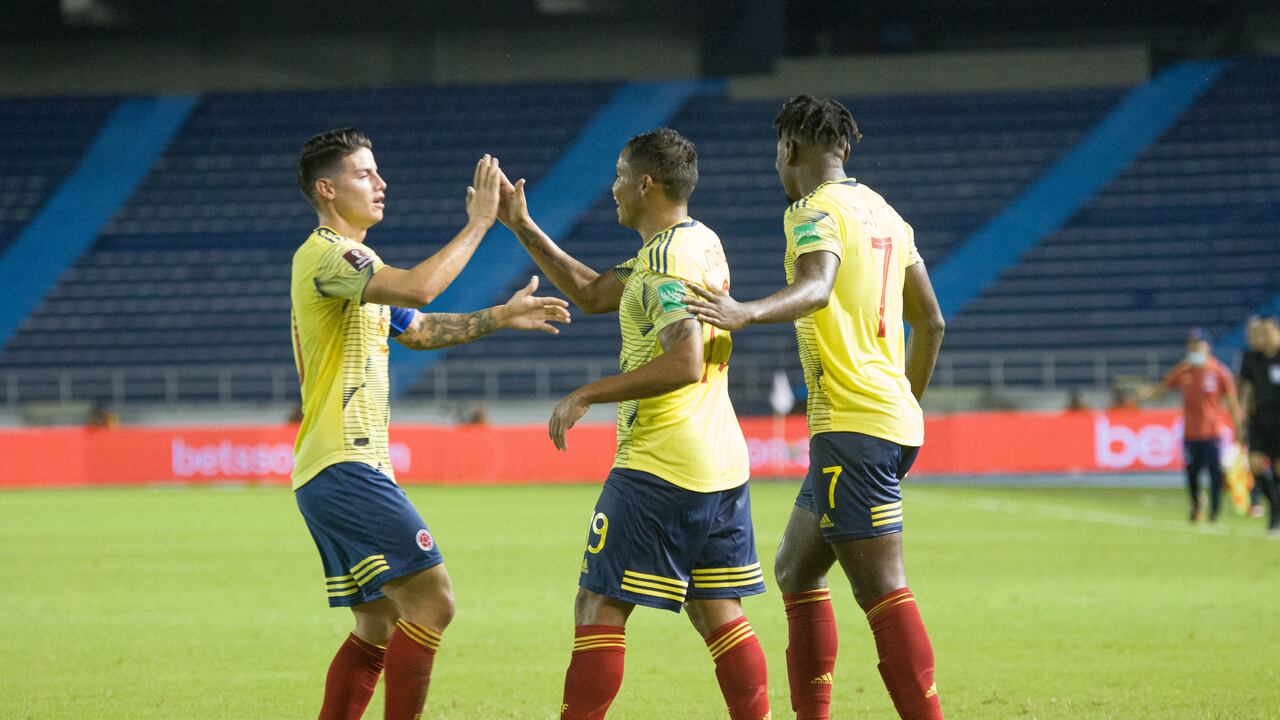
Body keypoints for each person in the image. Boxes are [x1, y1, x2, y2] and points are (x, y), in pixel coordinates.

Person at [290, 128, 570, 720]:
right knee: (434, 602)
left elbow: (417, 328)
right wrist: (480, 223)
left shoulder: (356, 270)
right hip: (346, 463)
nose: (380, 182)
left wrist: (502, 315)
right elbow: (419, 285)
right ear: (326, 188)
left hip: (333, 466)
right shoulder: (330, 254)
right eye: (364, 173)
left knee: (378, 625)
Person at [685, 95, 946, 720]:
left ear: (789, 150)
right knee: (796, 569)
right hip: (888, 421)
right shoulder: (886, 213)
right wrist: (905, 402)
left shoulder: (812, 209)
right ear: (845, 149)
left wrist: (746, 310)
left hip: (855, 425)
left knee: (881, 587)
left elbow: (816, 286)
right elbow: (930, 322)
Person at [497, 128, 771, 720]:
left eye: (620, 175)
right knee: (716, 609)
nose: (613, 187)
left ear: (645, 183)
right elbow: (595, 294)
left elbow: (685, 359)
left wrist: (588, 393)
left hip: (661, 462)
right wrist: (521, 224)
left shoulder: (665, 262)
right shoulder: (695, 241)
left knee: (597, 604)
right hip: (721, 461)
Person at [1138, 328, 1244, 523]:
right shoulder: (1183, 370)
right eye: (1191, 345)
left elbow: (1231, 400)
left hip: (1213, 432)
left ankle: (1214, 511)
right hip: (1191, 433)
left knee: (1214, 474)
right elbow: (1163, 387)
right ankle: (1197, 506)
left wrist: (1239, 425)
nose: (1193, 348)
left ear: (1207, 347)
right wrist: (1146, 394)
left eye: (1197, 345)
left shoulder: (1219, 372)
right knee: (1192, 475)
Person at [1239, 315, 1280, 534]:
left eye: (1266, 333)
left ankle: (1276, 514)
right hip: (1259, 420)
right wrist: (1242, 420)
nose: (1262, 337)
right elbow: (1246, 390)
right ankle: (1275, 504)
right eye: (1260, 333)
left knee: (1278, 470)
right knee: (1254, 465)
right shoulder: (1252, 358)